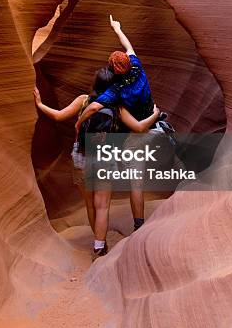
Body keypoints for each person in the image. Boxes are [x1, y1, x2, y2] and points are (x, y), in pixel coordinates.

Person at [34, 68, 159, 261]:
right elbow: (139, 127)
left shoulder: (83, 100)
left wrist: (40, 104)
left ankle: (98, 240)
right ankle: (99, 247)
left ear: (95, 83)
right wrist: (155, 114)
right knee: (102, 206)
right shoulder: (117, 106)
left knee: (90, 205)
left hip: (81, 156)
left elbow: (58, 116)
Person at [75, 15, 155, 231]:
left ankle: (136, 226)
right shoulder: (137, 67)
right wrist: (117, 28)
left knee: (132, 181)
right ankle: (139, 224)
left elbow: (93, 107)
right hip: (152, 125)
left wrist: (79, 123)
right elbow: (128, 46)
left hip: (132, 133)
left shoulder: (116, 90)